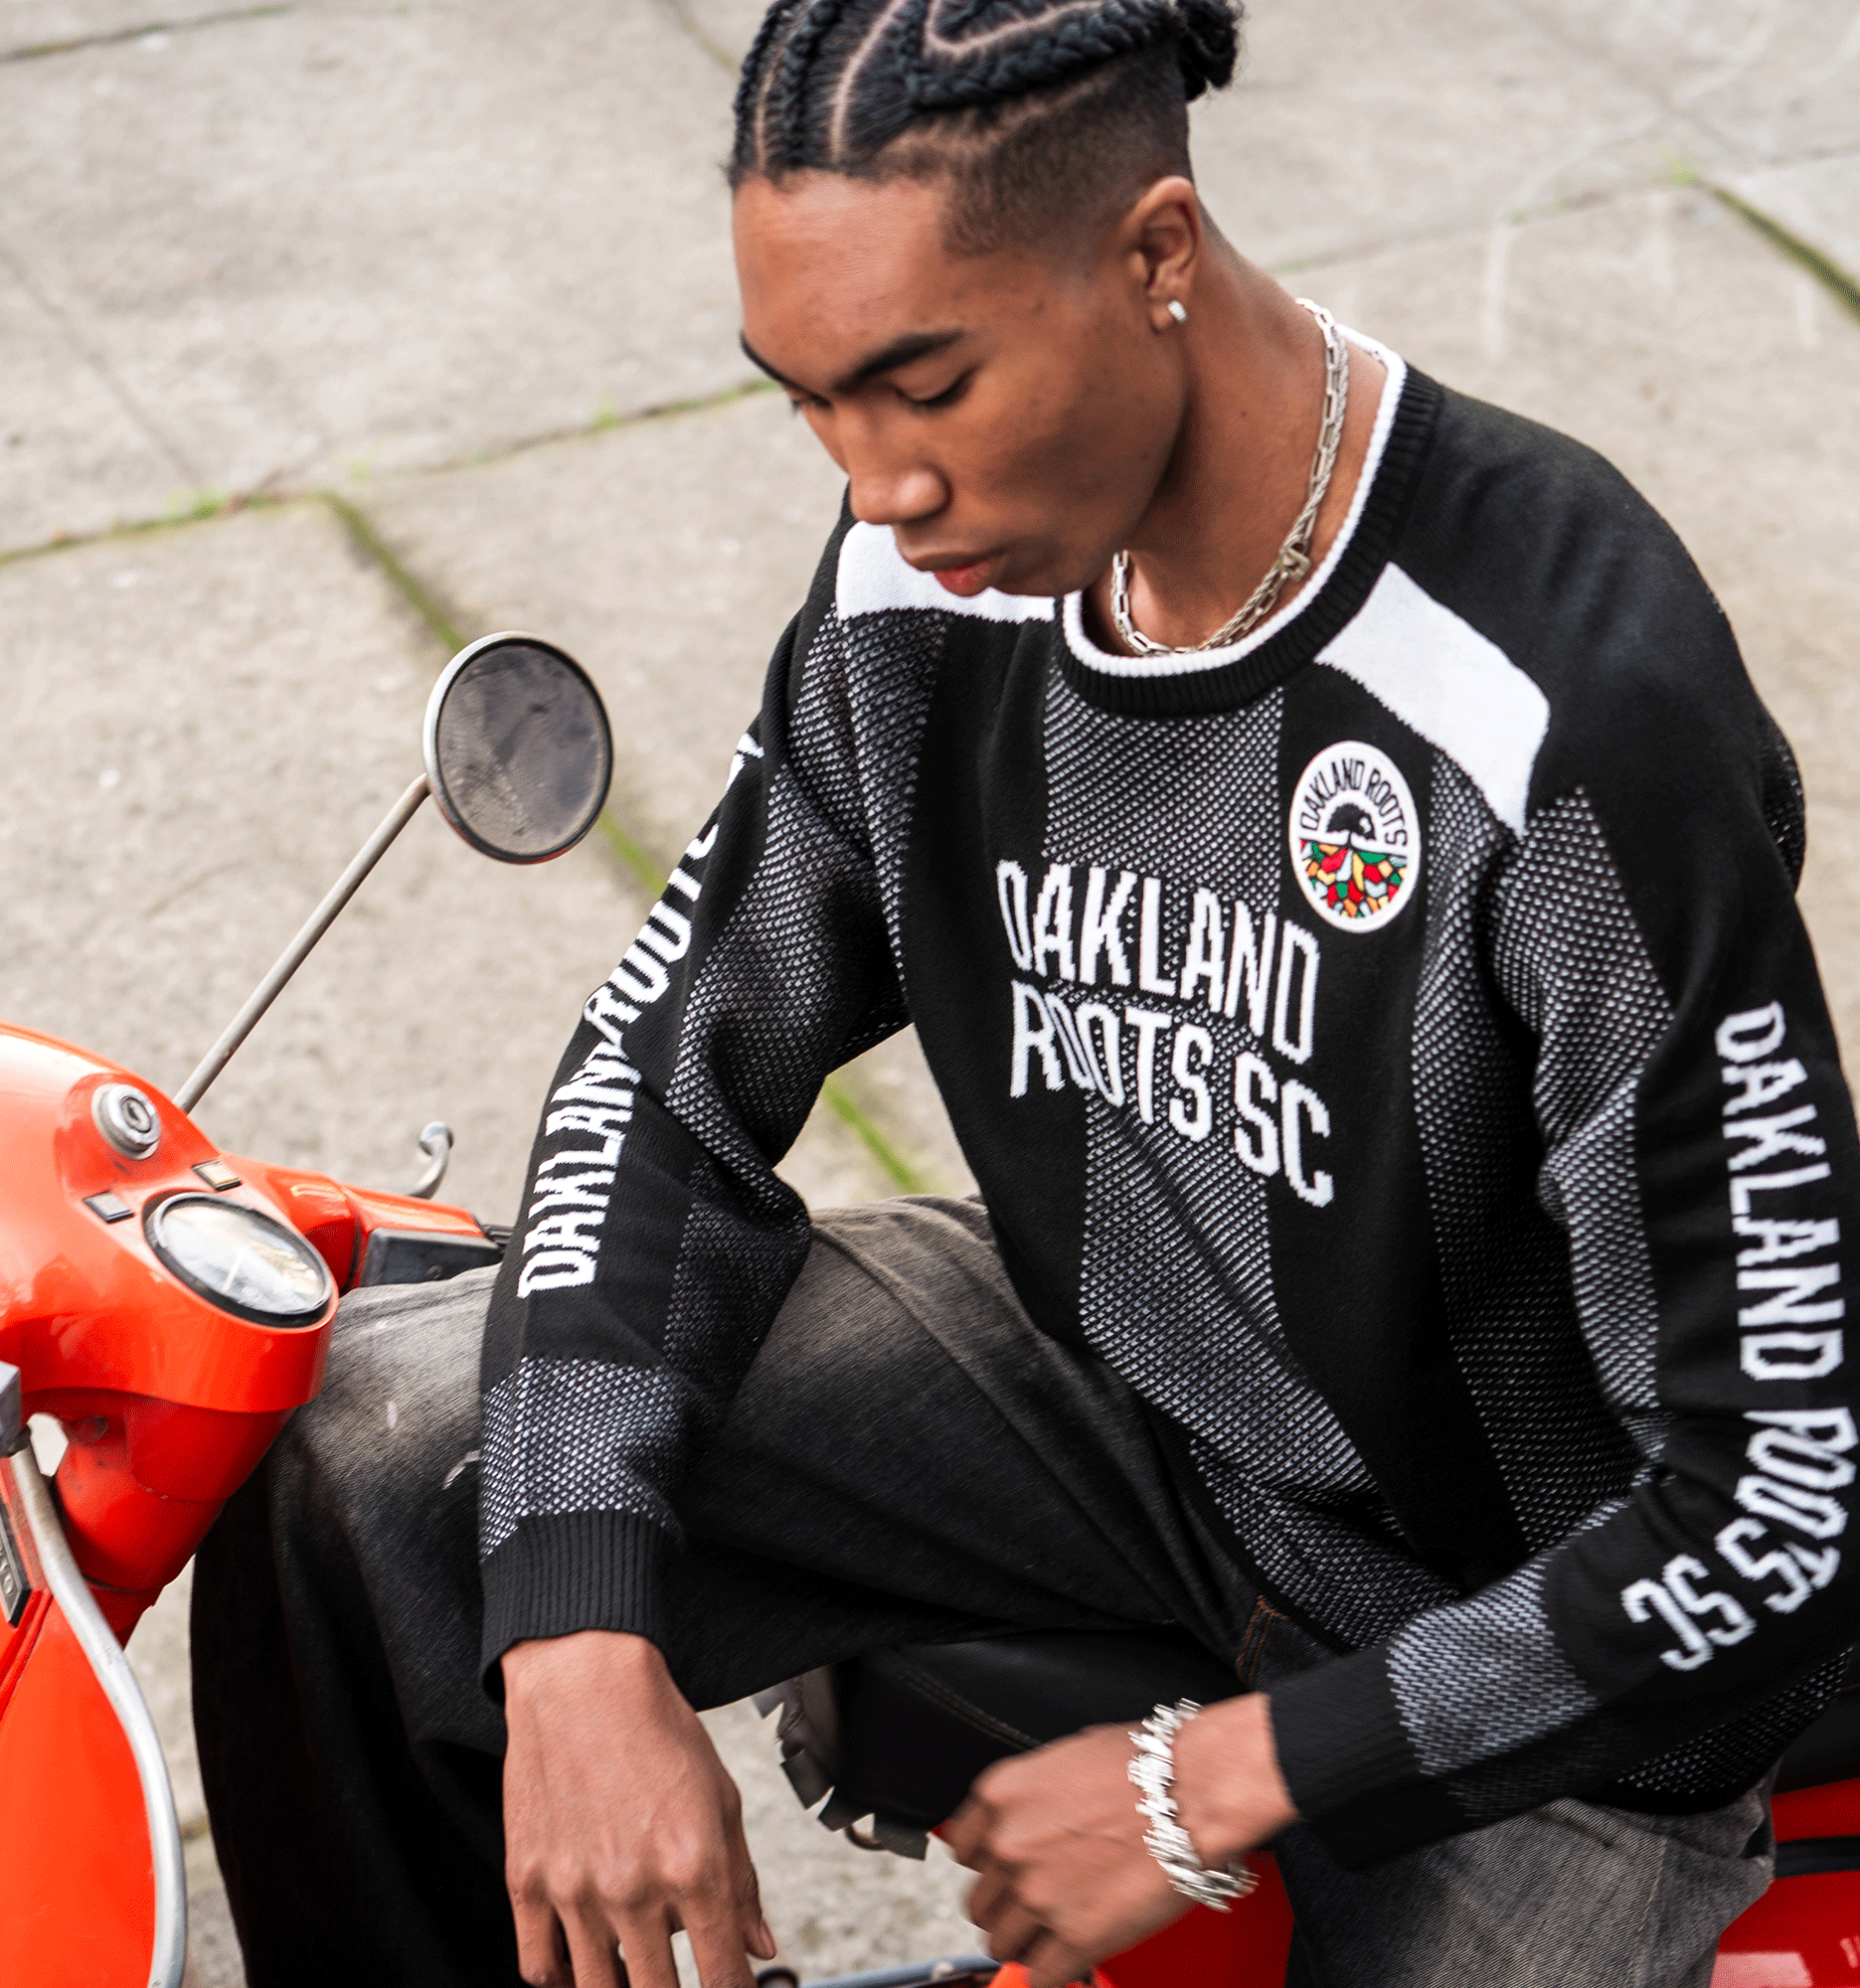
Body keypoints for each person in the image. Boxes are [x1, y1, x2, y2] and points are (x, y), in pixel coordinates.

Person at [192, 2, 1860, 1983]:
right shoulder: (927, 578)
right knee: (369, 1464)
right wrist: (572, 1627)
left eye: (922, 384)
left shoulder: (1562, 705)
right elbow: (671, 1076)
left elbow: (1775, 1502)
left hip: (1515, 1602)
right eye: (809, 402)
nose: (873, 484)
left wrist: (1209, 1780)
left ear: (1153, 255)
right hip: (1139, 1391)